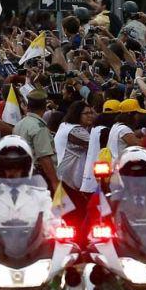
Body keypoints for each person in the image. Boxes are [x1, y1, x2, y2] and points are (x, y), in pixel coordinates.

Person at [0, 135, 58, 237]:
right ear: (0, 168)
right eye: (7, 167)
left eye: (17, 167)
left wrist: (56, 227)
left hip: (35, 250)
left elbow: (49, 220)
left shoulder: (41, 195)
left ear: (25, 167)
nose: (12, 172)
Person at [55, 101, 96, 242]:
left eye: (92, 112)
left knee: (67, 216)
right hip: (68, 179)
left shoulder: (64, 125)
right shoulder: (75, 131)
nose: (91, 116)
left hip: (62, 175)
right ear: (77, 114)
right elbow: (97, 144)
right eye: (87, 113)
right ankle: (80, 245)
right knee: (78, 215)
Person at [12, 89, 59, 191]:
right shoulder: (39, 127)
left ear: (28, 106)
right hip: (37, 177)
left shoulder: (20, 124)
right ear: (44, 107)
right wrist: (55, 181)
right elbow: (44, 157)